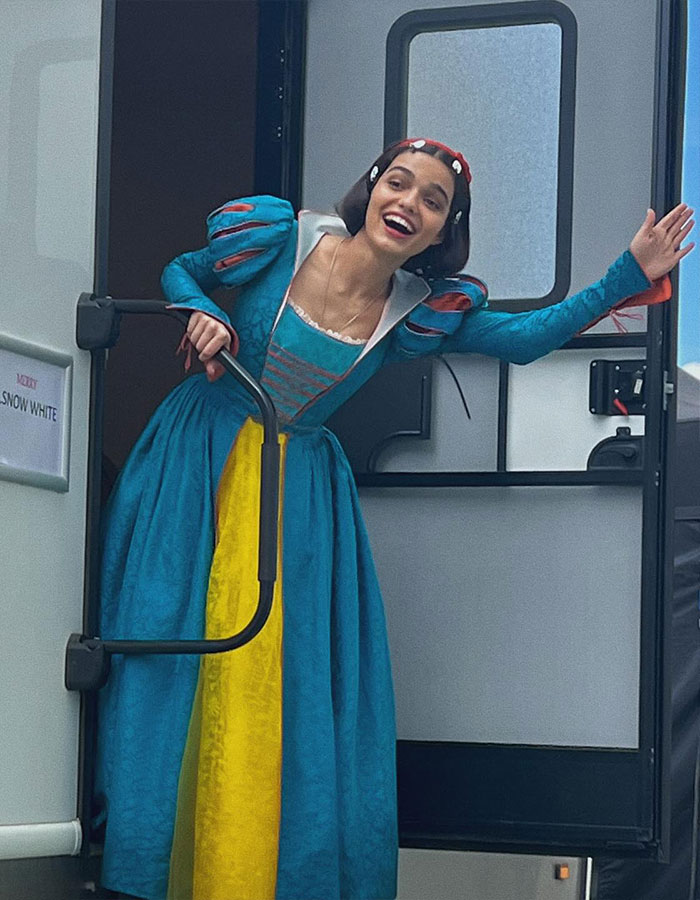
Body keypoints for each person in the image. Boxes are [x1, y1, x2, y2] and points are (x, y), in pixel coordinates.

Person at [95, 138, 694, 900]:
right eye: (399, 184)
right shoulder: (282, 236)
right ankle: (145, 861)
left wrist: (628, 274)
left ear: (446, 231)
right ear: (372, 189)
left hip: (296, 488)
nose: (409, 204)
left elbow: (526, 339)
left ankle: (243, 872)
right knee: (169, 647)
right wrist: (205, 313)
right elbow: (183, 269)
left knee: (268, 680)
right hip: (198, 460)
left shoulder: (422, 308)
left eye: (434, 200)